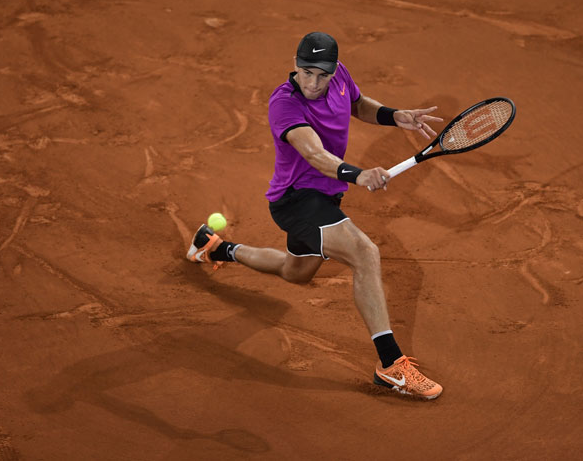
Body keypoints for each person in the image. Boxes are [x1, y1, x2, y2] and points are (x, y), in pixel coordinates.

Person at [187, 32, 443, 399]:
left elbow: (357, 104)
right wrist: (359, 174)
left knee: (296, 272)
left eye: (322, 74)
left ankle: (215, 247)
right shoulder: (285, 104)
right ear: (295, 65)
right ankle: (390, 366)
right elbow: (315, 155)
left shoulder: (339, 78)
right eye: (306, 72)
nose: (314, 82)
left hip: (326, 199)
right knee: (365, 253)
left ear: (334, 69)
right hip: (296, 200)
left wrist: (393, 115)